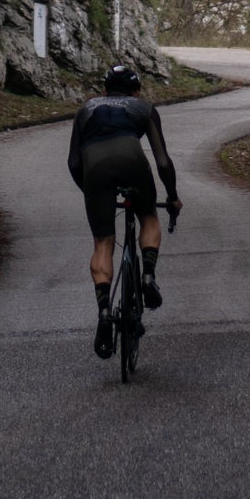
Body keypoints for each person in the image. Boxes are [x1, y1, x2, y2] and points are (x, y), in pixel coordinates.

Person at [67, 62, 182, 357]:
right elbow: (163, 161)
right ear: (136, 90)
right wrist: (172, 196)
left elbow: (74, 163)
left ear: (104, 90)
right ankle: (148, 275)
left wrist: (93, 194)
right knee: (148, 216)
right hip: (132, 162)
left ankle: (105, 311)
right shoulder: (143, 107)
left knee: (103, 243)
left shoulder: (86, 108)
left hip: (94, 169)